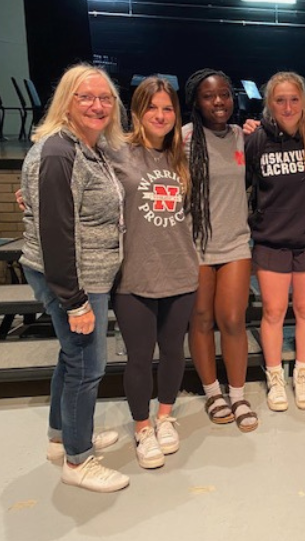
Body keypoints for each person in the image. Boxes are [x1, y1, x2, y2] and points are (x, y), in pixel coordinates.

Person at [20, 63, 129, 492]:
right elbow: (56, 232)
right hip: (73, 279)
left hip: (86, 275)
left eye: (105, 98)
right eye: (86, 97)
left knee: (71, 359)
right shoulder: (59, 151)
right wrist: (75, 300)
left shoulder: (86, 146)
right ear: (67, 101)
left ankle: (61, 436)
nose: (97, 105)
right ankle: (78, 459)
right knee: (87, 365)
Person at [110, 77, 198, 468]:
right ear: (136, 112)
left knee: (174, 351)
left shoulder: (183, 155)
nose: (160, 116)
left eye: (167, 109)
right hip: (134, 274)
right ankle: (142, 427)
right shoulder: (115, 153)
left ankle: (165, 416)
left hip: (180, 269)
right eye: (152, 108)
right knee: (140, 356)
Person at [245, 72, 305, 411]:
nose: (288, 106)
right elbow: (243, 184)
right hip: (271, 242)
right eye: (280, 100)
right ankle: (275, 377)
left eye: (294, 99)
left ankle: (302, 374)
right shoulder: (256, 141)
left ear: (304, 101)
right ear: (270, 103)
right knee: (273, 312)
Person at [183, 69, 257, 431]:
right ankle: (212, 392)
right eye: (209, 96)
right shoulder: (182, 138)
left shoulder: (242, 138)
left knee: (231, 319)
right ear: (196, 101)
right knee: (200, 319)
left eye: (225, 95)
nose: (218, 102)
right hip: (193, 244)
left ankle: (238, 394)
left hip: (234, 242)